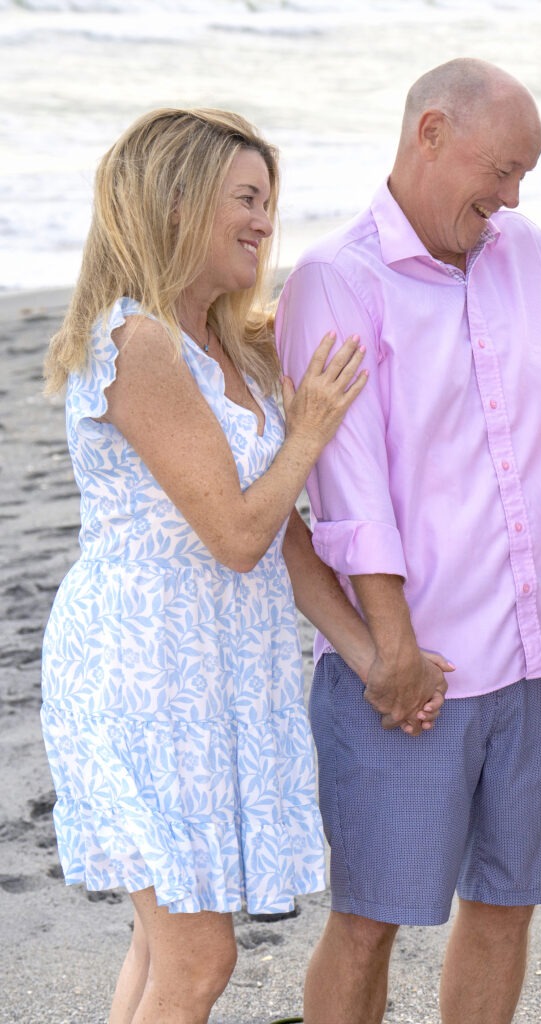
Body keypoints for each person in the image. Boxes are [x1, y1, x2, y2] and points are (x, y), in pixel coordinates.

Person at [38, 107, 413, 1024]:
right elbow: (239, 535)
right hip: (140, 670)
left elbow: (281, 536)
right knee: (199, 958)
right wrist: (308, 428)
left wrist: (374, 660)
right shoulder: (139, 343)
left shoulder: (227, 345)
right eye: (245, 199)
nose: (264, 221)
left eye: (268, 202)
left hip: (214, 671)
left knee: (162, 948)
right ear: (177, 200)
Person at [274, 59, 541, 1024]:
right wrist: (393, 653)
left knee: (507, 905)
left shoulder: (526, 251)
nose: (512, 198)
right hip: (420, 667)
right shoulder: (335, 282)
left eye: (524, 177)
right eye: (501, 171)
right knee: (370, 919)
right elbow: (350, 491)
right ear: (431, 133)